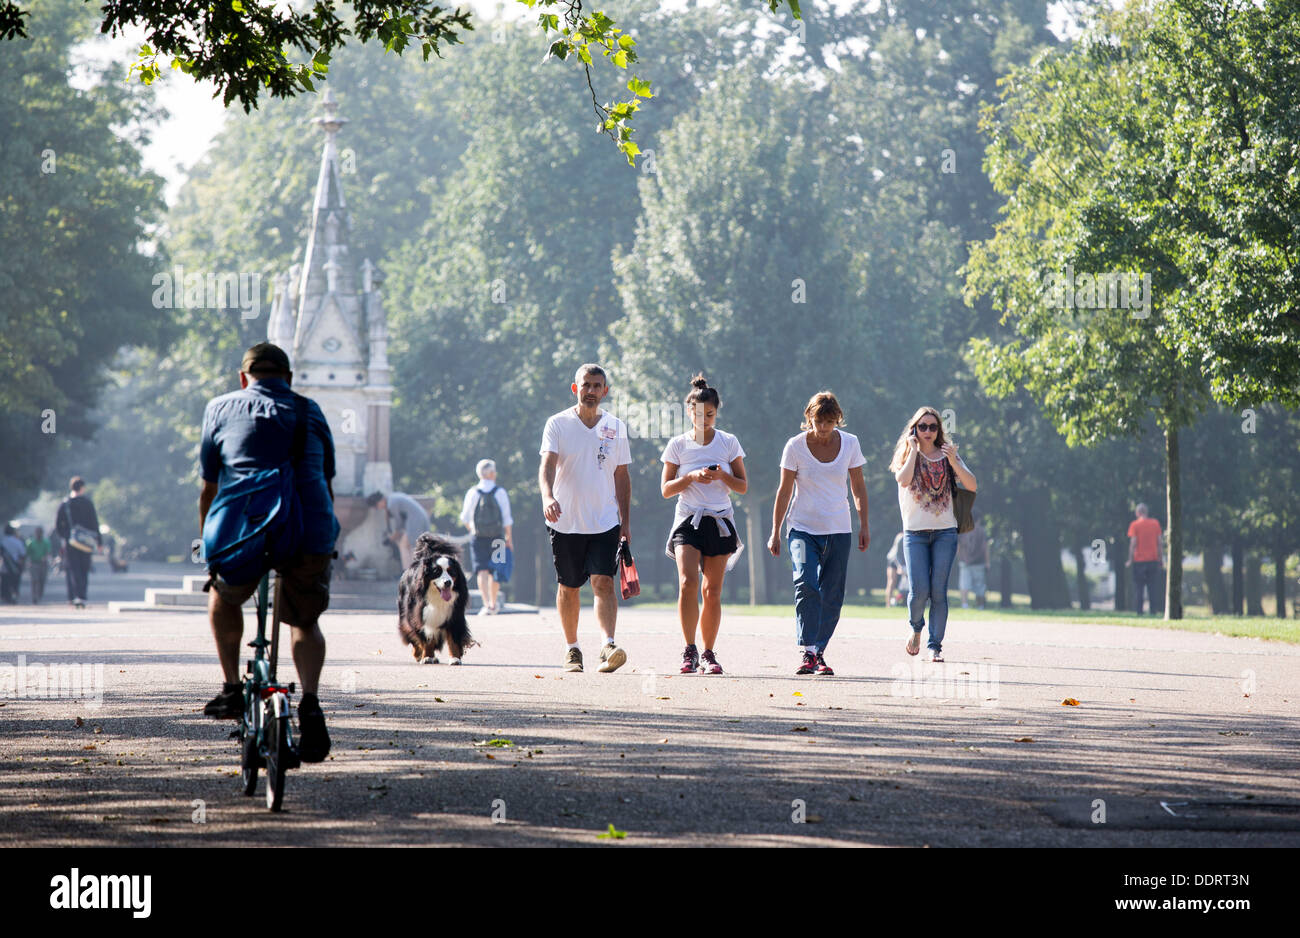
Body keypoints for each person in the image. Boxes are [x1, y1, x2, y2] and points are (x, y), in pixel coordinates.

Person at [197, 342, 339, 762]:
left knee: (222, 597)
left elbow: (208, 488)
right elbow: (325, 482)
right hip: (307, 527)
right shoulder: (310, 411)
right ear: (289, 379)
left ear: (244, 378)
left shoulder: (220, 408)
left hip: (243, 528)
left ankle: (232, 689)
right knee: (304, 619)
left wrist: (209, 542)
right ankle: (310, 704)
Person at [768, 391, 869, 676]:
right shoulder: (795, 446)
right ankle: (808, 649)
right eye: (817, 421)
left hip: (839, 529)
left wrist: (864, 525)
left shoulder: (850, 444)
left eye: (828, 422)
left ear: (837, 420)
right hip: (801, 528)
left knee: (833, 593)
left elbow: (858, 487)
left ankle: (818, 651)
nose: (822, 428)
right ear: (808, 418)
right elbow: (784, 490)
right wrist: (775, 531)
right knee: (806, 583)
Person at [538, 363, 631, 673]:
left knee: (604, 582)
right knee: (569, 587)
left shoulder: (615, 427)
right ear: (575, 389)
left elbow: (622, 475)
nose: (591, 391)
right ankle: (572, 649)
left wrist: (625, 523)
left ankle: (608, 645)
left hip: (605, 520)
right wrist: (548, 496)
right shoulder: (558, 424)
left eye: (597, 385)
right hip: (565, 521)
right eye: (586, 385)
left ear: (605, 391)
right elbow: (548, 465)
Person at [661, 374, 748, 675]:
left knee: (712, 591)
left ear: (716, 412)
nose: (704, 420)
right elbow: (666, 489)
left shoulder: (728, 442)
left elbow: (743, 486)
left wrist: (722, 475)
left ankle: (709, 653)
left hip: (720, 521)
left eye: (710, 414)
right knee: (688, 583)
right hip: (688, 519)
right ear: (689, 413)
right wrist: (691, 477)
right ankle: (689, 649)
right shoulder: (678, 445)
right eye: (698, 414)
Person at [890, 406, 976, 663]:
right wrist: (914, 451)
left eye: (933, 427)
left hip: (945, 533)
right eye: (922, 426)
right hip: (914, 534)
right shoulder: (907, 454)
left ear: (939, 430)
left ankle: (934, 645)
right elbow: (903, 480)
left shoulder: (949, 455)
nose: (928, 431)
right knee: (918, 591)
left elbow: (972, 484)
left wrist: (953, 461)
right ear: (914, 429)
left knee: (939, 591)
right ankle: (916, 628)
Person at [460, 458, 513, 615]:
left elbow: (464, 517)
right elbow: (507, 519)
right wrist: (509, 538)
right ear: (490, 473)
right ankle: (493, 603)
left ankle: (485, 604)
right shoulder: (500, 492)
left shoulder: (472, 492)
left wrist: (472, 530)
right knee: (497, 569)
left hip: (478, 537)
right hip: (498, 537)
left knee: (482, 570)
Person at [55, 477, 101, 608]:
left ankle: (72, 597)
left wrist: (66, 536)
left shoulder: (65, 504)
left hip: (71, 542)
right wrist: (99, 541)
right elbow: (95, 523)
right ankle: (81, 596)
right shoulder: (88, 503)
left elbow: (58, 525)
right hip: (86, 542)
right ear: (82, 488)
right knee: (84, 569)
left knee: (72, 569)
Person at [367, 491, 430, 571]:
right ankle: (412, 570)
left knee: (409, 546)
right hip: (419, 517)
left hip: (415, 520)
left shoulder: (391, 503)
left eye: (376, 506)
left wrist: (391, 538)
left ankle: (410, 571)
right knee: (407, 545)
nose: (378, 508)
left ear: (380, 501)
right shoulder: (392, 498)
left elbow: (399, 525)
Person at [1127, 502, 1164, 615]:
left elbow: (1133, 543)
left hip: (1139, 561)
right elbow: (1159, 543)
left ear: (1137, 513)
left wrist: (1130, 559)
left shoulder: (1135, 525)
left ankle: (1139, 612)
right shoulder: (1155, 524)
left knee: (1139, 588)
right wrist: (1161, 559)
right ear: (1146, 512)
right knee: (1152, 588)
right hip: (1153, 560)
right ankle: (1153, 611)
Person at [957, 514, 989, 609]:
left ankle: (964, 604)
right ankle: (980, 606)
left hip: (964, 561)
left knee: (964, 584)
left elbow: (958, 547)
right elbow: (985, 548)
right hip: (979, 562)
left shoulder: (963, 530)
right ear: (978, 519)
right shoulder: (982, 531)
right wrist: (987, 562)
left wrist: (959, 558)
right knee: (979, 585)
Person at [25, 526, 52, 604]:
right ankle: (34, 596)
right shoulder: (31, 542)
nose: (38, 534)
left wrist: (45, 557)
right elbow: (27, 553)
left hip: (43, 564)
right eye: (37, 533)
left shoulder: (46, 542)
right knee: (34, 580)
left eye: (40, 533)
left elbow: (48, 552)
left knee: (42, 580)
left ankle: (40, 594)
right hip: (34, 563)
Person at [0, 524, 25, 604]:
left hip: (4, 567)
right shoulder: (17, 542)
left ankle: (6, 597)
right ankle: (14, 596)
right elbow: (22, 553)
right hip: (16, 566)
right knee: (15, 583)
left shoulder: (2, 542)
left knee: (5, 582)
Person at [885, 530, 908, 607]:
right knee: (891, 581)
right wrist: (899, 566)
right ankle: (888, 604)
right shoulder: (901, 537)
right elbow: (897, 554)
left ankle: (901, 601)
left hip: (902, 562)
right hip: (893, 560)